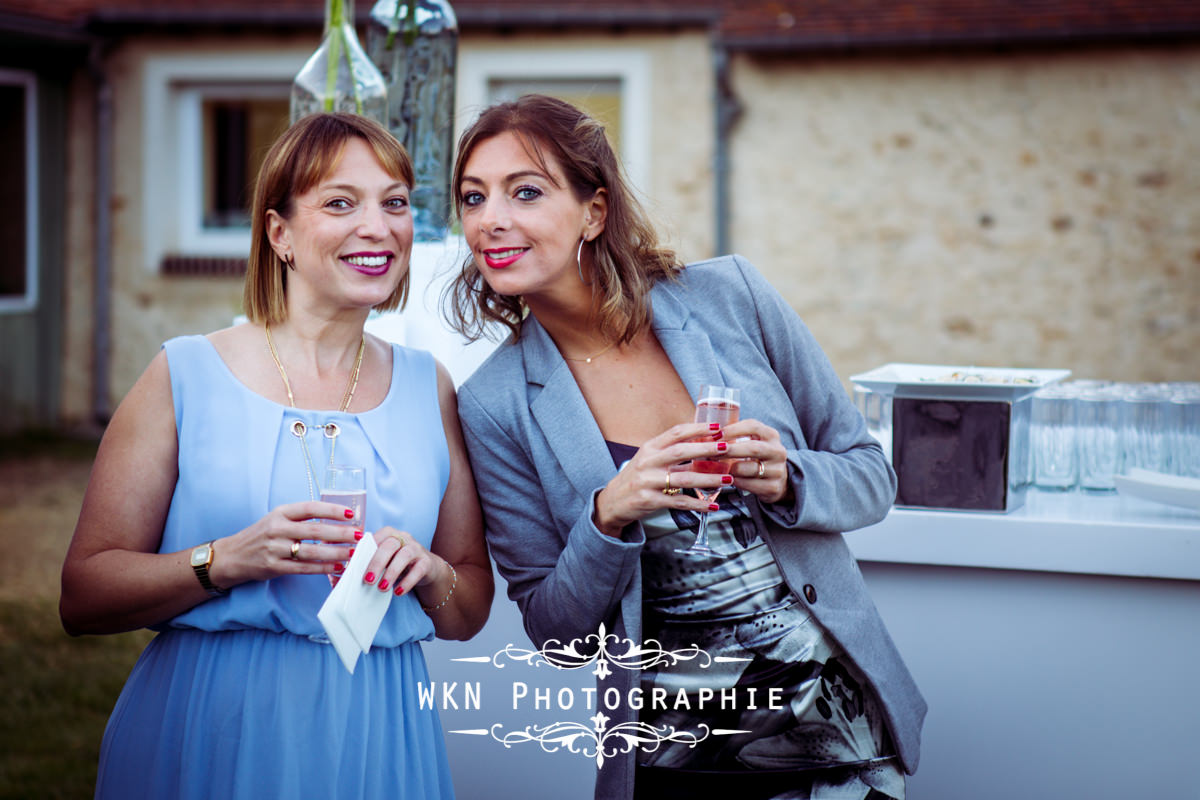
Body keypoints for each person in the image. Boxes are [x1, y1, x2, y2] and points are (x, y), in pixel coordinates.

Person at [447, 94, 926, 800]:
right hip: (675, 765)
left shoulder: (732, 296)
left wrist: (789, 478)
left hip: (839, 736)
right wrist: (609, 515)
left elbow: (869, 476)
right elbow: (556, 635)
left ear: (594, 211)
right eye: (473, 197)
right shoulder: (493, 404)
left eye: (526, 191)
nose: (492, 219)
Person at [60, 112, 493, 799]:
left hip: (377, 734)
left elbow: (467, 607)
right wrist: (223, 560)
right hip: (213, 724)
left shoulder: (428, 385)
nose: (377, 227)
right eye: (340, 203)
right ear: (279, 234)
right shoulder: (184, 374)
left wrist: (430, 570)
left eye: (396, 203)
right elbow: (83, 597)